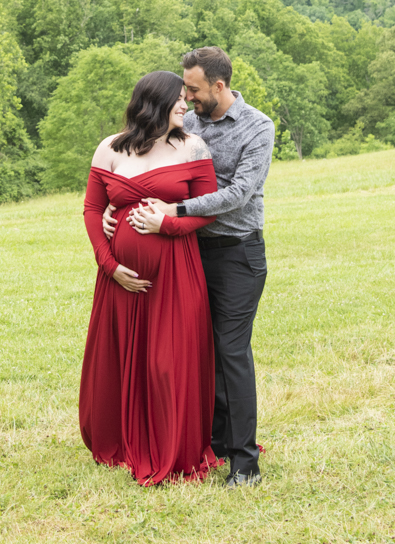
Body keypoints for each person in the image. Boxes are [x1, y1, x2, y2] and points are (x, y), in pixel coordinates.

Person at [113, 47, 275, 489]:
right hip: (188, 253)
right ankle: (214, 440)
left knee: (231, 353)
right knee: (198, 350)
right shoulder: (189, 122)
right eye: (184, 89)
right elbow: (146, 163)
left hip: (238, 253)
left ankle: (245, 463)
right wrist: (115, 209)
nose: (185, 97)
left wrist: (175, 209)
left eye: (193, 89)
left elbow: (240, 193)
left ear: (219, 86)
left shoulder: (258, 128)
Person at [79, 70, 220, 486]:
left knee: (167, 363)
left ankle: (173, 445)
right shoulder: (109, 149)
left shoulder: (192, 146)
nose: (185, 106)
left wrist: (167, 227)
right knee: (123, 361)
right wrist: (109, 265)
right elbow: (92, 209)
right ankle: (122, 440)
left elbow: (208, 208)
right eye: (178, 99)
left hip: (177, 273)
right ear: (153, 104)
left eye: (186, 97)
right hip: (120, 282)